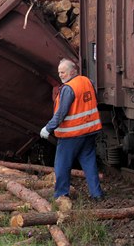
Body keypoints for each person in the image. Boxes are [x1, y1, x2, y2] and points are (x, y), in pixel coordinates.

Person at [40, 58, 104, 200]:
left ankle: (61, 195)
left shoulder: (69, 88)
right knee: (89, 163)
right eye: (59, 72)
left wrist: (48, 128)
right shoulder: (87, 81)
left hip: (71, 134)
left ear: (72, 71)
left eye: (63, 72)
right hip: (89, 131)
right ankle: (97, 194)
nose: (60, 75)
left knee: (62, 165)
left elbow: (61, 113)